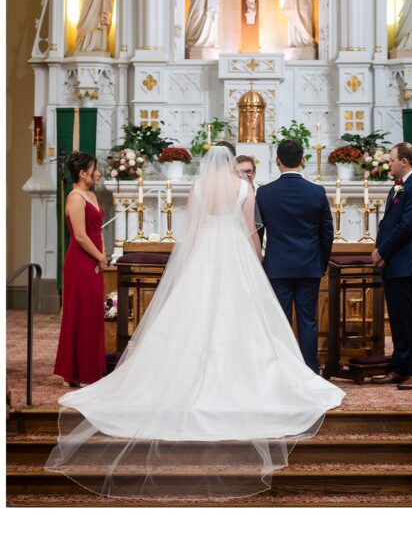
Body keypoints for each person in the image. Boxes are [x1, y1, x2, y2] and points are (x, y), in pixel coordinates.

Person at [46, 146, 344, 500]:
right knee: (243, 321)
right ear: (233, 162)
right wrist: (256, 267)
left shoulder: (198, 187)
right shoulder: (243, 187)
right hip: (235, 254)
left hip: (204, 254)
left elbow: (191, 231)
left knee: (194, 316)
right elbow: (251, 232)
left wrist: (188, 265)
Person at [256, 139, 335, 374]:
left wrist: (260, 261)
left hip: (277, 266)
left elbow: (258, 231)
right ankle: (310, 369)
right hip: (308, 265)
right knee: (307, 321)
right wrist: (321, 264)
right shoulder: (316, 192)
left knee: (279, 321)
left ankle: (282, 371)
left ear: (277, 160)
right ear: (302, 160)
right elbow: (327, 232)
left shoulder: (265, 193)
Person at [371, 143, 412, 390]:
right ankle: (400, 368)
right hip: (395, 262)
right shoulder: (399, 186)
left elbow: (407, 225)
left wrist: (383, 250)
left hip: (409, 262)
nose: (389, 163)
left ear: (404, 162)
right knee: (397, 319)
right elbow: (389, 223)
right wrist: (381, 249)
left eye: (392, 159)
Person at [53, 152, 107, 387]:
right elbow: (81, 236)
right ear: (83, 173)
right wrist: (99, 256)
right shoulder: (75, 198)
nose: (99, 173)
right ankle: (79, 372)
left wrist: (102, 254)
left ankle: (88, 369)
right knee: (82, 314)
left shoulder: (91, 194)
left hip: (94, 259)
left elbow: (97, 229)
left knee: (92, 314)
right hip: (80, 261)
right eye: (95, 170)